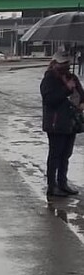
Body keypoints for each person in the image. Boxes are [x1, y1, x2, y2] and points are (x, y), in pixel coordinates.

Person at [40, 51, 84, 197]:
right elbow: (50, 100)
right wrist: (66, 89)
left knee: (66, 154)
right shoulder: (49, 79)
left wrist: (81, 103)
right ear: (55, 63)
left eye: (67, 63)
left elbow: (81, 94)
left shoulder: (72, 77)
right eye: (62, 63)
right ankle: (52, 186)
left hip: (71, 122)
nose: (65, 66)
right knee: (55, 154)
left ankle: (62, 182)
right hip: (55, 123)